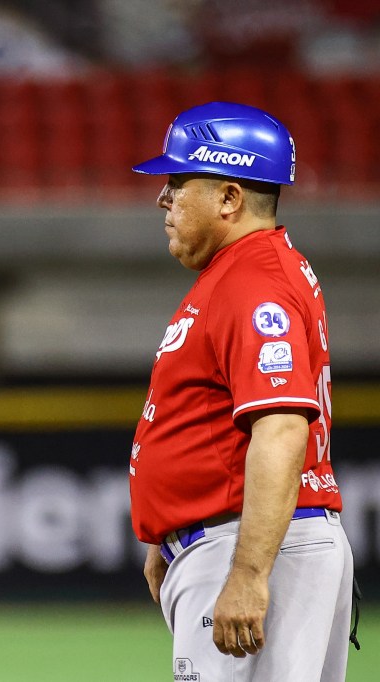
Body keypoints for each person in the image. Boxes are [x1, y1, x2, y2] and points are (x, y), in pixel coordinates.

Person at [128, 101, 356, 681]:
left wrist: (249, 573)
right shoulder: (245, 271)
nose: (164, 198)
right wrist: (168, 535)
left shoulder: (253, 282)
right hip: (244, 538)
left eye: (178, 182)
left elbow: (280, 429)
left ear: (229, 198)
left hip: (253, 546)